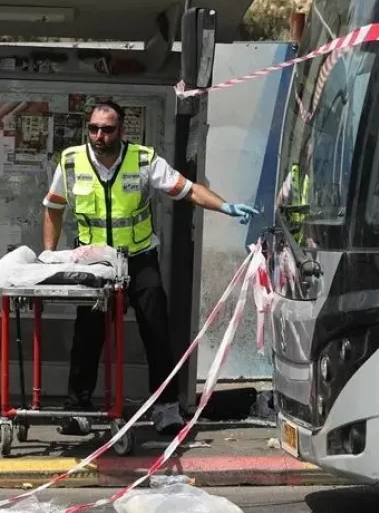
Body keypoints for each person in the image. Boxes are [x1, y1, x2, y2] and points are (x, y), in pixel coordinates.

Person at [42, 102, 258, 435]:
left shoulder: (142, 160)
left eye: (108, 129)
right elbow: (53, 208)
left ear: (121, 130)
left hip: (139, 258)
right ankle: (78, 409)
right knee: (87, 336)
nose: (100, 136)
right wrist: (49, 255)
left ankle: (165, 408)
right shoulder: (71, 161)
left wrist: (225, 206)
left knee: (156, 332)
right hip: (95, 262)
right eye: (94, 129)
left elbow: (186, 189)